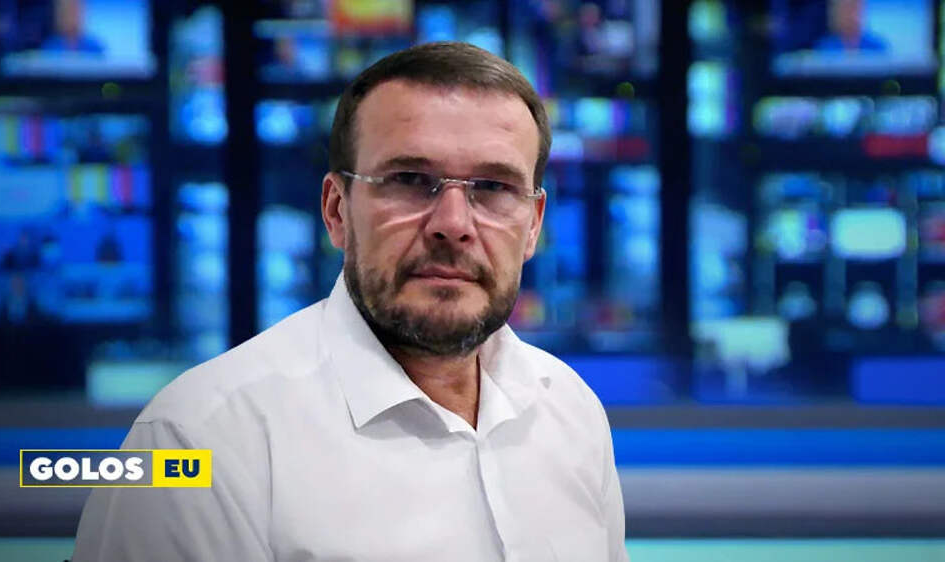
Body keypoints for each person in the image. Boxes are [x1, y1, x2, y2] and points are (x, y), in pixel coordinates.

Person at [73, 41, 628, 561]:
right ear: (336, 210)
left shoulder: (571, 412)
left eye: (494, 188)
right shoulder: (196, 441)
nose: (453, 224)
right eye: (410, 180)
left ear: (533, 225)